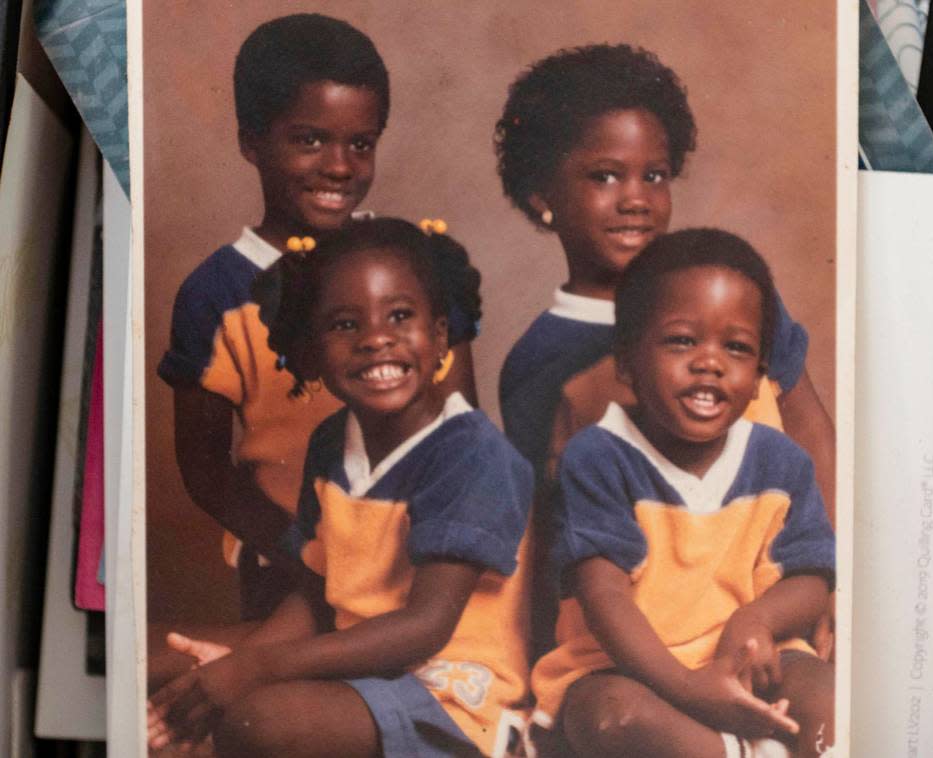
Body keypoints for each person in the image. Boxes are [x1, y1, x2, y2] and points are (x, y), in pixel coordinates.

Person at [493, 43, 836, 656]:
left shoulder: (737, 294)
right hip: (648, 634)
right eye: (605, 176)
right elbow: (546, 532)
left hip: (774, 604)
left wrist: (835, 583)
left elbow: (812, 435)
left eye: (653, 175)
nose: (636, 198)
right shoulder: (541, 362)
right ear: (541, 192)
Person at [148, 218, 532, 758]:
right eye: (345, 324)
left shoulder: (471, 453)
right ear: (308, 351)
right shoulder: (333, 442)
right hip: (353, 662)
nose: (377, 338)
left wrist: (256, 670)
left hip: (448, 690)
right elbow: (318, 591)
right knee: (155, 672)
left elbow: (425, 627)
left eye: (401, 315)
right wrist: (238, 665)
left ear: (441, 333)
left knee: (260, 722)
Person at [157, 13, 480, 620]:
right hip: (289, 568)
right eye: (309, 140)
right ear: (251, 140)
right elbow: (205, 472)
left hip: (418, 562)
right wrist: (303, 551)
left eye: (360, 143)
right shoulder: (215, 293)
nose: (339, 166)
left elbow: (463, 429)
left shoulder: (413, 265)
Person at [531, 229, 835, 758]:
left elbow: (810, 576)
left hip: (754, 654)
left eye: (736, 348)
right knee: (612, 719)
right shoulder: (598, 458)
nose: (709, 363)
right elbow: (604, 598)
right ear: (626, 364)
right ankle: (735, 752)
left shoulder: (779, 460)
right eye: (681, 341)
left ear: (760, 372)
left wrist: (757, 619)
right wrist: (688, 687)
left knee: (829, 698)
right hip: (627, 669)